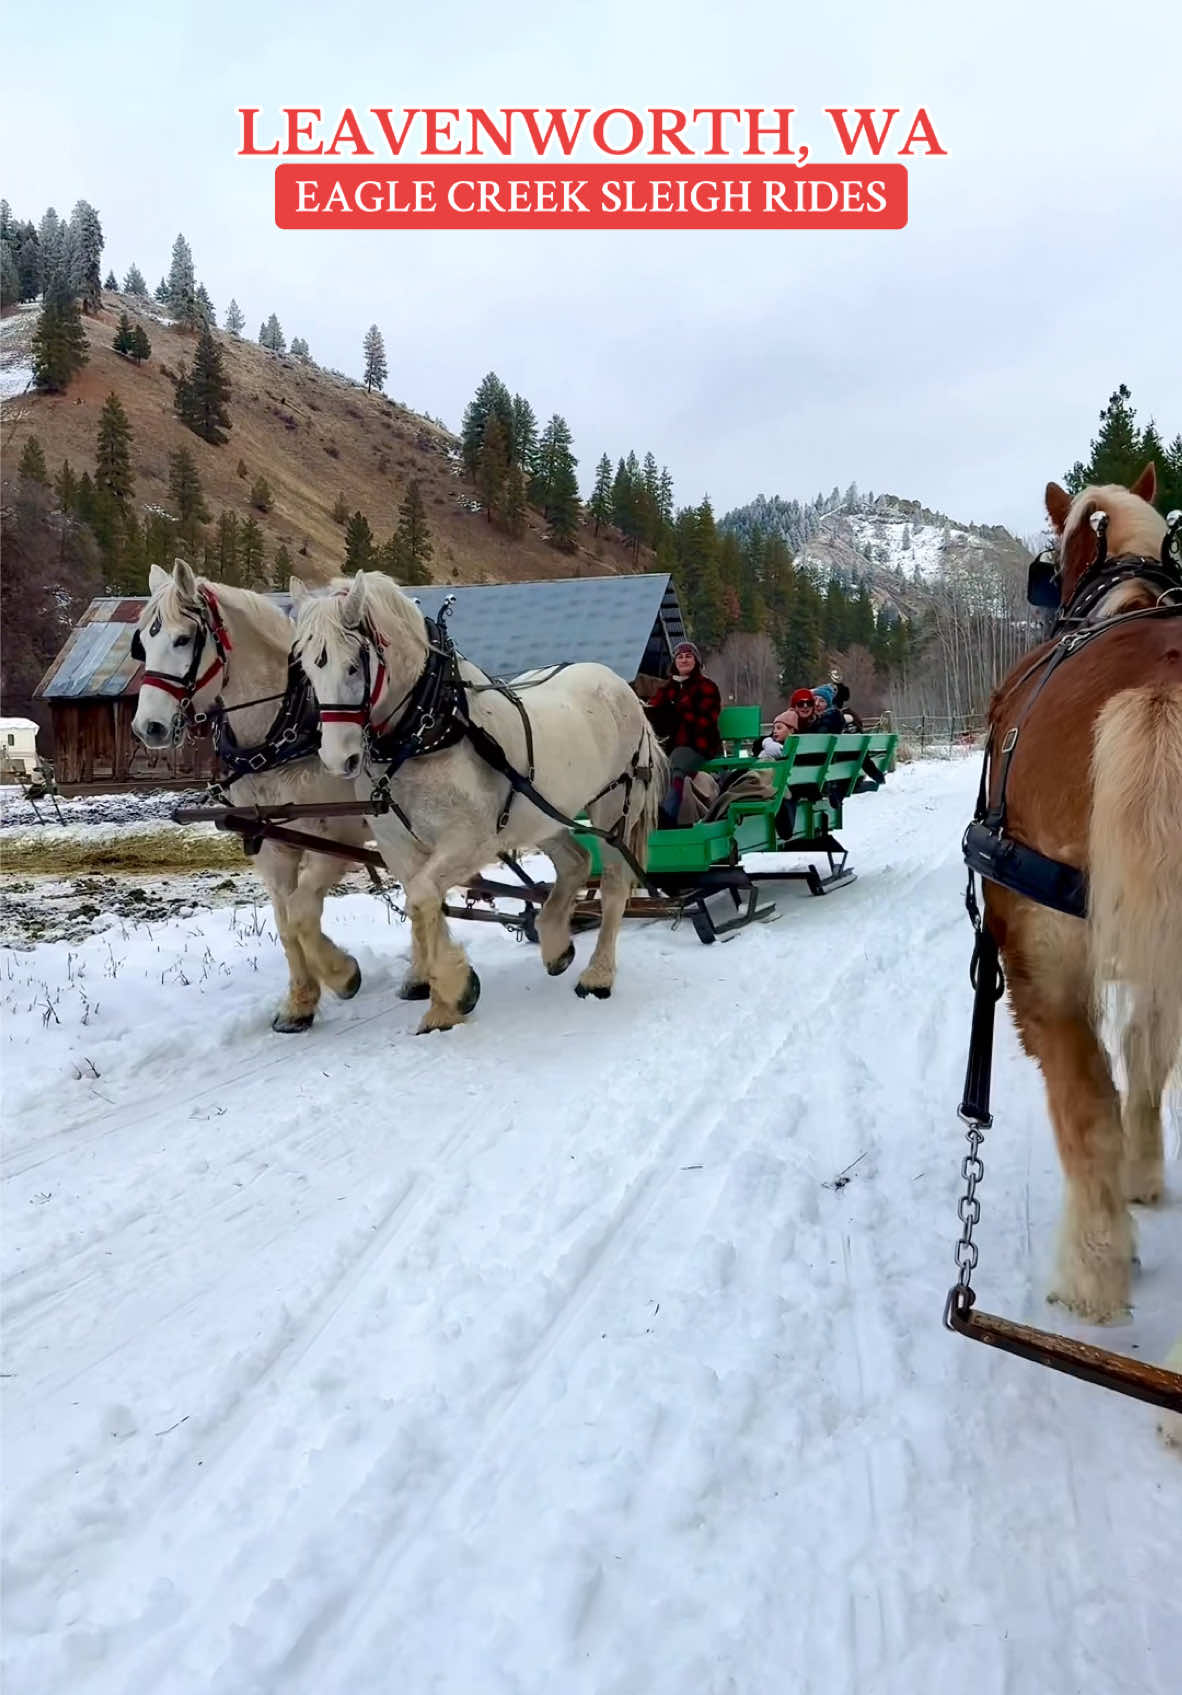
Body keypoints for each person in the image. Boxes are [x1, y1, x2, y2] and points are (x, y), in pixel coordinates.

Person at [644, 640, 722, 824]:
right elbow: (653, 715)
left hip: (698, 743)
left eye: (688, 656)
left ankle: (668, 816)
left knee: (676, 765)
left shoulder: (707, 687)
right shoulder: (666, 689)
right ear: (674, 662)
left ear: (696, 661)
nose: (684, 660)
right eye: (680, 656)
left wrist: (678, 711)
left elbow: (707, 719)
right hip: (669, 744)